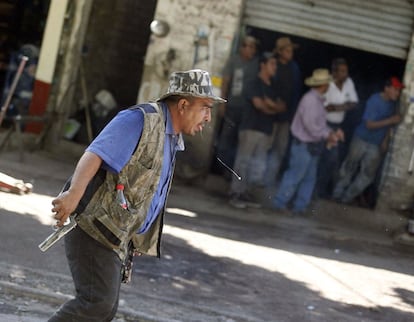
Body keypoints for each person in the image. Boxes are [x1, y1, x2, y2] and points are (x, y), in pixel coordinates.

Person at [47, 69, 225, 321]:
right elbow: (95, 153)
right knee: (96, 303)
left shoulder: (171, 138)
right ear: (184, 105)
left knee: (104, 309)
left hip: (114, 234)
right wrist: (73, 194)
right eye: (205, 107)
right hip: (91, 227)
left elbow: (149, 190)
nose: (208, 117)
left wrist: (138, 235)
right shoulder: (139, 120)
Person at [272, 69, 343, 214]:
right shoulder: (310, 100)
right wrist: (327, 134)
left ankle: (299, 207)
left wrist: (330, 132)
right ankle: (280, 204)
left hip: (311, 145)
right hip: (303, 145)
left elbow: (319, 124)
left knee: (308, 178)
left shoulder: (318, 100)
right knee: (296, 175)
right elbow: (311, 126)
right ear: (323, 85)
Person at [332, 76, 403, 204]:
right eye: (395, 90)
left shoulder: (393, 104)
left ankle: (346, 198)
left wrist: (385, 140)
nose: (398, 93)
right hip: (361, 139)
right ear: (386, 88)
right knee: (349, 167)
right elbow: (369, 125)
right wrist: (391, 120)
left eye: (399, 91)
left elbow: (389, 127)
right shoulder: (374, 100)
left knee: (368, 176)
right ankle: (336, 195)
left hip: (376, 144)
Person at [229, 52, 285, 208]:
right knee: (243, 162)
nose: (275, 67)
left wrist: (271, 105)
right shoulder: (253, 83)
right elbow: (259, 105)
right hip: (251, 128)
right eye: (272, 64)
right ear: (263, 65)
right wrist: (272, 107)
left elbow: (281, 106)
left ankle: (245, 194)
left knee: (256, 166)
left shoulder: (272, 87)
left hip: (265, 130)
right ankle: (236, 194)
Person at [316, 58, 359, 198]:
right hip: (322, 125)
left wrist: (337, 107)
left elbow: (354, 103)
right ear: (333, 71)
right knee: (318, 157)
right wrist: (342, 106)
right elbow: (326, 108)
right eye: (341, 71)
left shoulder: (349, 82)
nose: (344, 74)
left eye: (345, 71)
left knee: (330, 160)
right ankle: (313, 190)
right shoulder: (327, 84)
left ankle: (319, 191)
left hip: (336, 128)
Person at [216, 35, 259, 172]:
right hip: (232, 107)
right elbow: (226, 82)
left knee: (240, 141)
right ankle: (220, 169)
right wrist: (222, 102)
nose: (248, 49)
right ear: (241, 47)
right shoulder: (234, 61)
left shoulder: (256, 64)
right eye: (245, 45)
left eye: (251, 47)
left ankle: (231, 172)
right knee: (226, 138)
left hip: (247, 110)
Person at [264, 36, 302, 188]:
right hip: (270, 115)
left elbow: (296, 92)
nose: (290, 52)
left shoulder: (294, 68)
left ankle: (269, 181)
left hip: (285, 117)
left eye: (291, 50)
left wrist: (292, 114)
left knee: (279, 149)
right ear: (280, 52)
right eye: (287, 50)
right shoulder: (273, 65)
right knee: (265, 147)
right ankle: (257, 180)